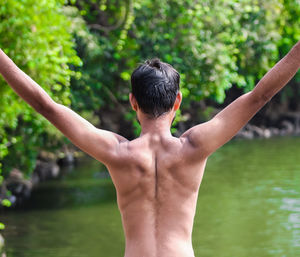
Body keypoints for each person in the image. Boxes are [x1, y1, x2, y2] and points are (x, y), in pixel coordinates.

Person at [0, 40, 299, 257]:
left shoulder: (117, 153)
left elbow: (46, 106)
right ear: (178, 101)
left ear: (133, 102)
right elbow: (260, 95)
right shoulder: (195, 147)